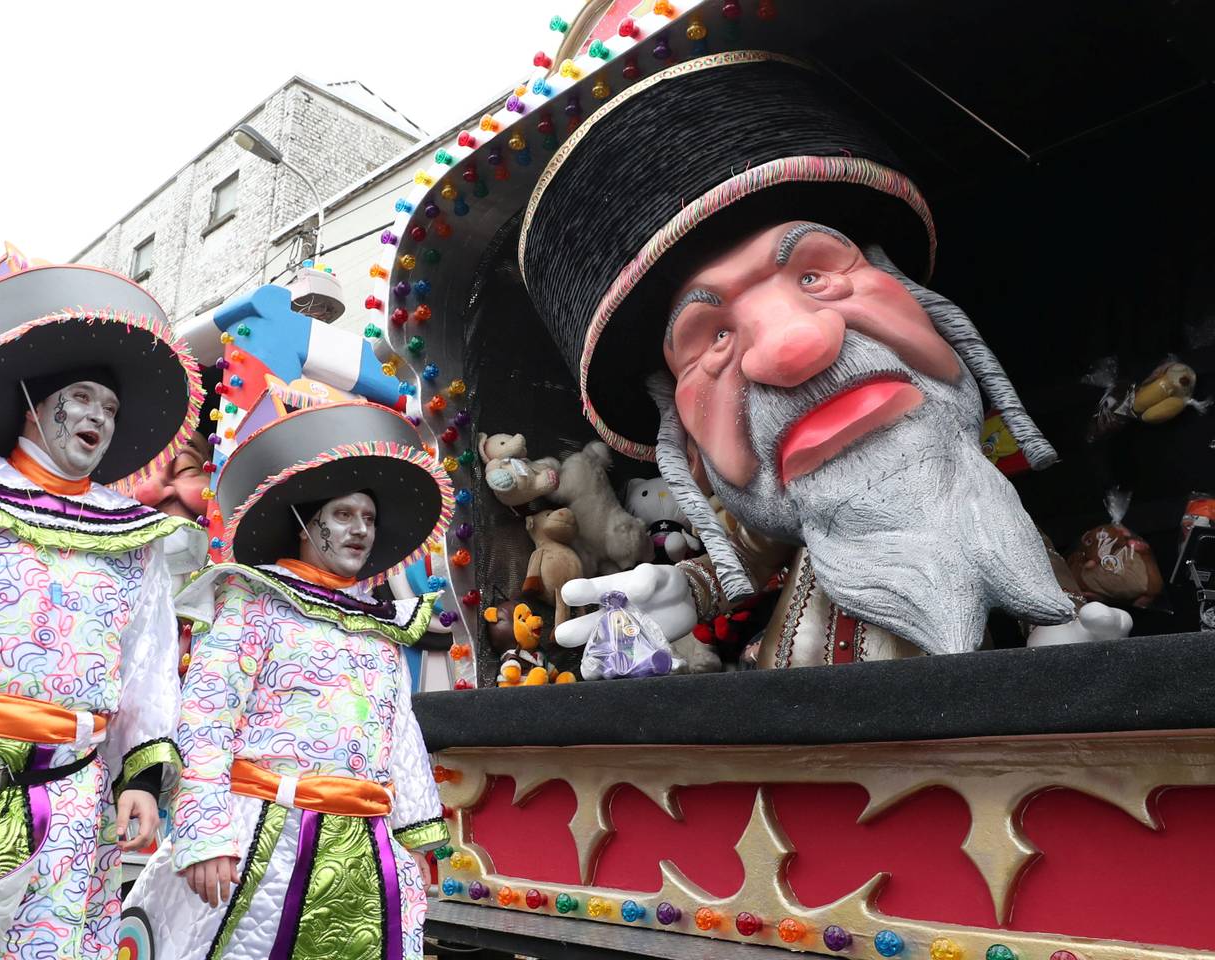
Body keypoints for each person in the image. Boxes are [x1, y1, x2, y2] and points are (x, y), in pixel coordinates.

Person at [505, 53, 1133, 663]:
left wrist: (1066, 622)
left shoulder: (980, 507)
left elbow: (1010, 548)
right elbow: (748, 555)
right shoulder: (770, 510)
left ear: (928, 312)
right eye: (714, 338)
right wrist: (691, 587)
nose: (790, 347)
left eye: (815, 276)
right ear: (694, 454)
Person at [0, 253, 204, 957]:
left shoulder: (131, 533)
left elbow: (147, 664)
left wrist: (140, 777)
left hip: (74, 796)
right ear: (32, 400)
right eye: (82, 398)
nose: (98, 418)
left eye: (111, 409)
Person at [124, 399, 453, 960]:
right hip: (262, 837)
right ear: (305, 523)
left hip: (366, 853)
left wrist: (416, 836)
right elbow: (206, 719)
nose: (360, 531)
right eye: (344, 515)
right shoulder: (253, 600)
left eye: (369, 519)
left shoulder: (379, 625)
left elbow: (401, 736)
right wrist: (205, 837)